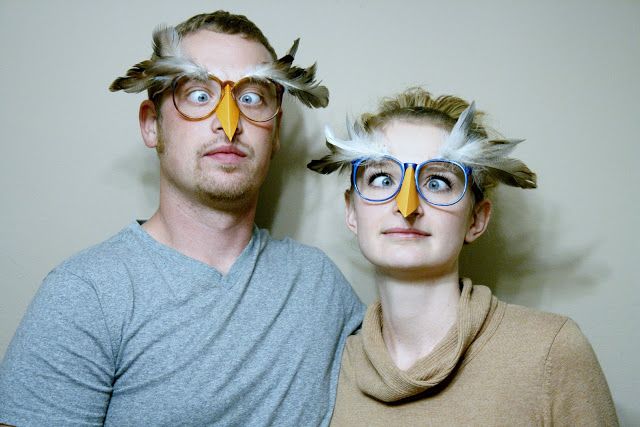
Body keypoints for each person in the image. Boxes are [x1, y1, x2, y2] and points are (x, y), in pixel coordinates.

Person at [0, 11, 364, 426]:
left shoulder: (318, 283)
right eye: (198, 95)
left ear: (275, 132)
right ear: (152, 125)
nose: (229, 125)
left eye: (251, 98)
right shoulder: (86, 295)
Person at [308, 88, 618, 425]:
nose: (406, 206)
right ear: (351, 211)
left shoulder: (551, 352)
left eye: (438, 182)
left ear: (477, 219)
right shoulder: (326, 369)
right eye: (383, 179)